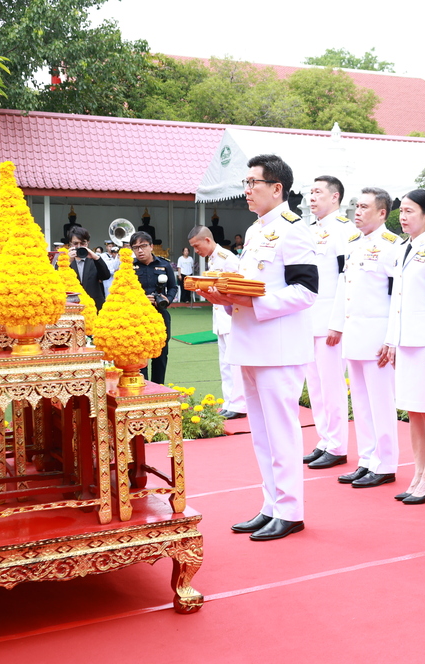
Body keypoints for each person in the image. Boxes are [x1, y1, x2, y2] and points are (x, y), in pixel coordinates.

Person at [202, 154, 318, 542]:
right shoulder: (255, 232)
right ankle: (271, 504)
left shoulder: (294, 229)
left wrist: (254, 303)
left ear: (276, 188)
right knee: (261, 434)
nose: (247, 189)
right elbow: (250, 285)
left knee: (281, 431)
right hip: (250, 342)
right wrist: (226, 295)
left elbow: (305, 292)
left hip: (279, 347)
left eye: (253, 182)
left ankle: (290, 510)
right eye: (246, 182)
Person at [384, 189, 425, 504]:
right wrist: (391, 340)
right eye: (402, 211)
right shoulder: (403, 248)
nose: (404, 216)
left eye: (411, 211)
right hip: (406, 342)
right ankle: (418, 472)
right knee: (412, 411)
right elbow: (396, 300)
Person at [335, 187, 402, 489]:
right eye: (356, 206)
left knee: (380, 402)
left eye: (364, 207)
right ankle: (366, 459)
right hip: (355, 335)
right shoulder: (353, 244)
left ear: (382, 213)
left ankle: (385, 462)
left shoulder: (392, 246)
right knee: (360, 402)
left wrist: (392, 338)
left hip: (378, 338)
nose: (357, 212)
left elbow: (397, 297)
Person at [302, 175, 354, 470]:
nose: (312, 197)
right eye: (311, 192)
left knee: (332, 385)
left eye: (318, 192)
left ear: (335, 197)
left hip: (331, 321)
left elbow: (345, 279)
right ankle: (324, 439)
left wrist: (339, 321)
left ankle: (337, 445)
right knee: (316, 386)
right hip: (308, 319)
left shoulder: (344, 230)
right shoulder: (309, 230)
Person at [187, 226, 246, 419]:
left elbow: (237, 286)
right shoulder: (213, 259)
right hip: (221, 318)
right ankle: (229, 401)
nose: (196, 251)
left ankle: (239, 404)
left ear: (207, 240)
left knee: (235, 363)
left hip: (231, 316)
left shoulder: (227, 258)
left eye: (197, 246)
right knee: (225, 364)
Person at [129, 231, 177, 385]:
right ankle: (143, 388)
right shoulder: (129, 268)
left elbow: (173, 287)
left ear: (151, 246)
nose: (140, 250)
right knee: (140, 356)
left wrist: (166, 299)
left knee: (161, 356)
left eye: (143, 246)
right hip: (138, 317)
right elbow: (124, 291)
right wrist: (141, 299)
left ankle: (159, 388)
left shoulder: (164, 264)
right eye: (135, 247)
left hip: (160, 315)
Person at [67, 227, 111, 312]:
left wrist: (95, 258)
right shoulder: (65, 260)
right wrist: (67, 262)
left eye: (83, 243)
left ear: (87, 243)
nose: (79, 246)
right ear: (70, 244)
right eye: (75, 243)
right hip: (72, 307)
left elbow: (106, 276)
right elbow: (57, 279)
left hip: (94, 306)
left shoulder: (95, 260)